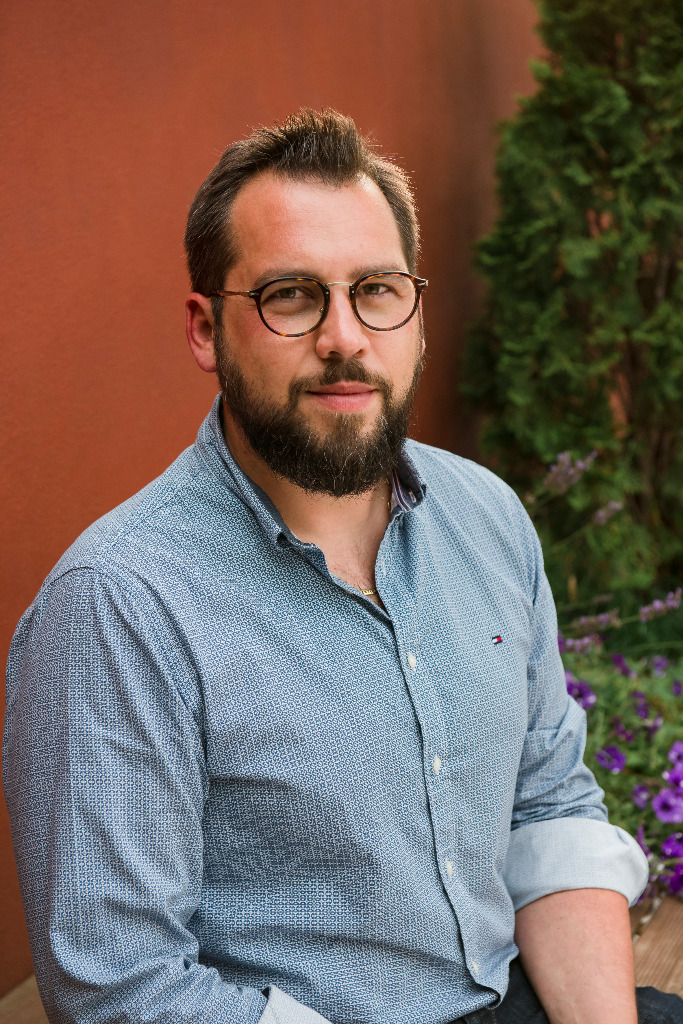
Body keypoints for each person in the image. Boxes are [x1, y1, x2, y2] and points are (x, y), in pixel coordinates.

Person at [3, 109, 681, 1024]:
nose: (345, 336)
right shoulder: (119, 606)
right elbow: (120, 987)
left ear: (414, 313)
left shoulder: (486, 516)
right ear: (205, 330)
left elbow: (547, 809)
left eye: (375, 290)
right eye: (291, 295)